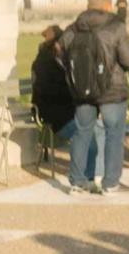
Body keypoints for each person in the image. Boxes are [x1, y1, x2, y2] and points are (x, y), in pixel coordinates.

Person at [60, 0, 129, 194]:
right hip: (112, 89)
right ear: (107, 6)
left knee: (82, 133)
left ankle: (77, 181)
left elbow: (63, 58)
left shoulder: (71, 30)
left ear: (88, 6)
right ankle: (111, 182)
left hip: (82, 90)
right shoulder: (116, 27)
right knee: (114, 133)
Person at [30, 24, 97, 186]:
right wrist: (74, 94)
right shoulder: (42, 64)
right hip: (53, 113)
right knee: (85, 137)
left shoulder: (59, 60)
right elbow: (48, 92)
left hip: (66, 110)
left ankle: (87, 178)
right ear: (56, 45)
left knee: (90, 135)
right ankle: (80, 179)